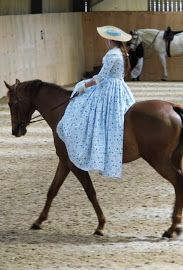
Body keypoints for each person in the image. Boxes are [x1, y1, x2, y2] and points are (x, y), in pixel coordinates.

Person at [57, 26, 135, 178]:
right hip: (118, 86)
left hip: (110, 89)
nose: (105, 41)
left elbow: (101, 77)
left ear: (111, 40)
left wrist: (84, 86)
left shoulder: (113, 54)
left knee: (83, 105)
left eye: (107, 39)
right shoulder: (120, 52)